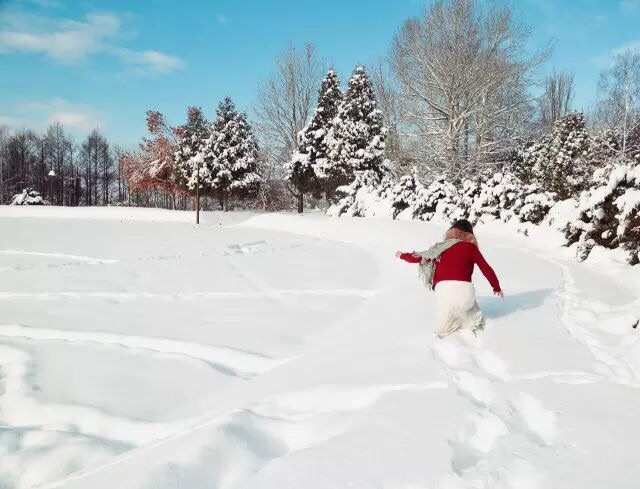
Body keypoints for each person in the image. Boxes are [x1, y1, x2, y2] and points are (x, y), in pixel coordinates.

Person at [395, 219, 503, 338]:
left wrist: (402, 255)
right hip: (465, 293)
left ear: (451, 232)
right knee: (472, 314)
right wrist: (496, 287)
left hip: (443, 293)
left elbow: (417, 257)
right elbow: (486, 268)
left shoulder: (440, 248)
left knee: (444, 328)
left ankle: (448, 332)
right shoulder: (471, 248)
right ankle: (472, 325)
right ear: (469, 235)